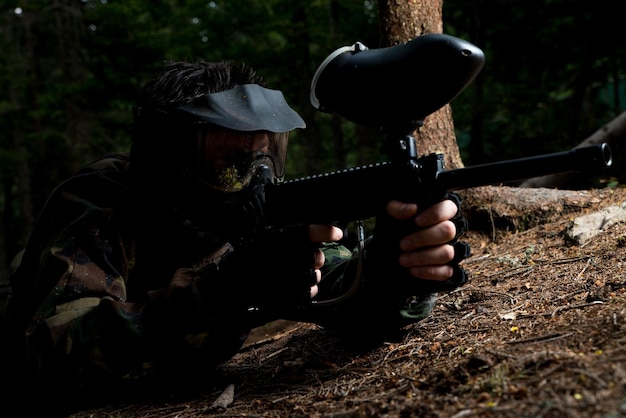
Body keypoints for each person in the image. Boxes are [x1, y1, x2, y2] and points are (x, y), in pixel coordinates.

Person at [0, 60, 469, 415]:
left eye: (263, 159)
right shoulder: (104, 200)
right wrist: (222, 291)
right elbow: (51, 358)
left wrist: (392, 271)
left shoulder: (256, 204)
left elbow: (339, 283)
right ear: (170, 163)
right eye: (229, 165)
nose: (252, 180)